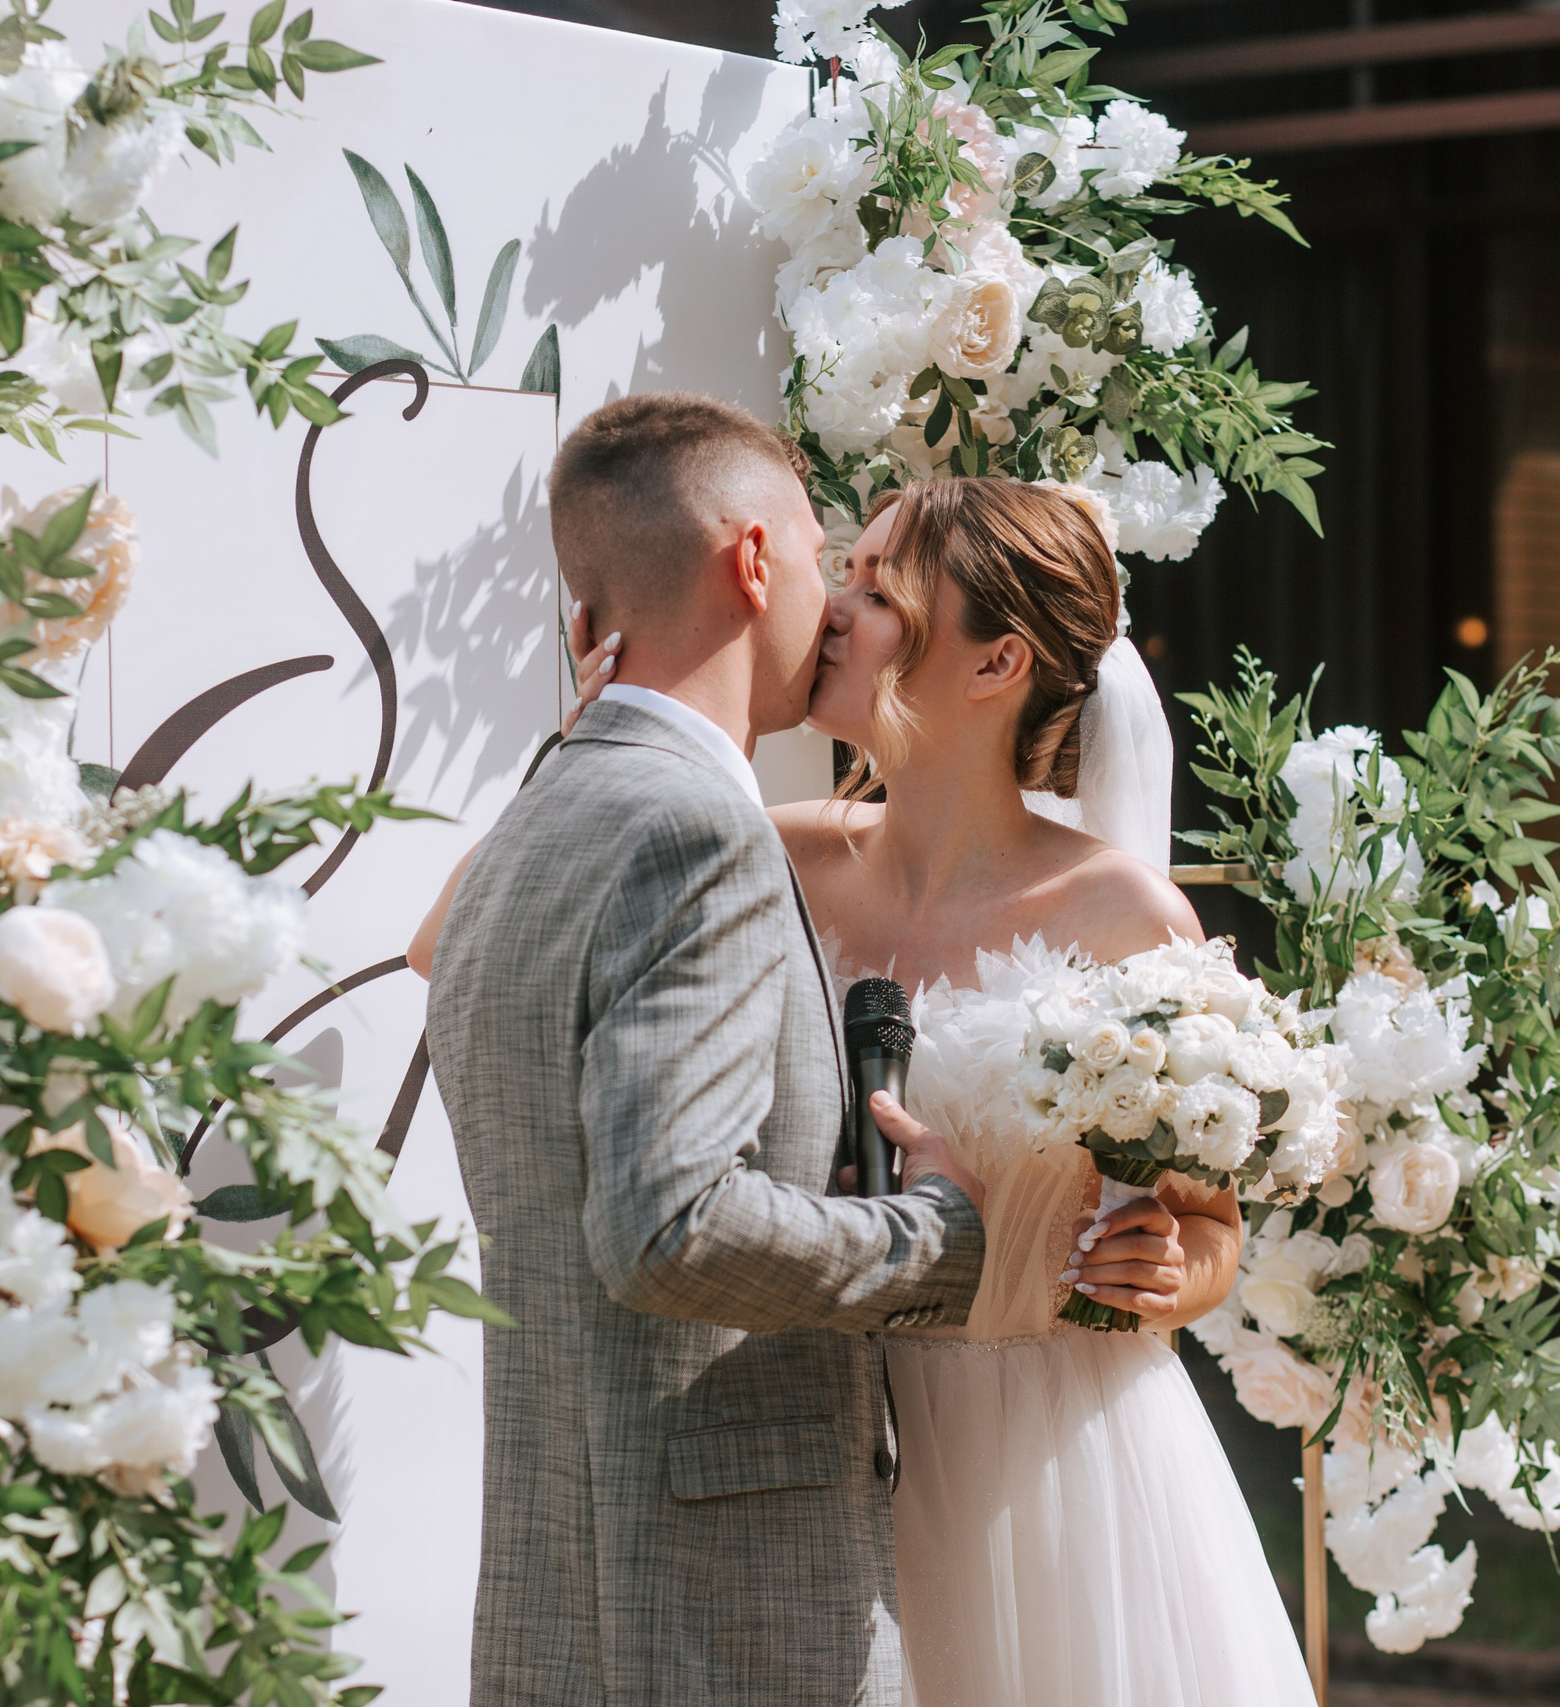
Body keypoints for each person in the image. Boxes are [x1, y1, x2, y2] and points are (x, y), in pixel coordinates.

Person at [480, 474, 1319, 1707]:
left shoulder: (1122, 913)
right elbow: (477, 935)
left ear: (995, 664)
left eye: (875, 590)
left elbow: (1207, 1234)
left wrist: (1161, 1269)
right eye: (839, 573)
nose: (828, 608)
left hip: (1050, 1459)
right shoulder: (768, 850)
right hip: (822, 1425)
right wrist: (592, 741)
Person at [423, 393, 992, 1707]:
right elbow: (667, 1223)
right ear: (749, 559)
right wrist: (939, 1232)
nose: (832, 603)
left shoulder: (528, 827)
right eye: (814, 555)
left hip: (561, 1594)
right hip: (725, 1618)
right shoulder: (697, 832)